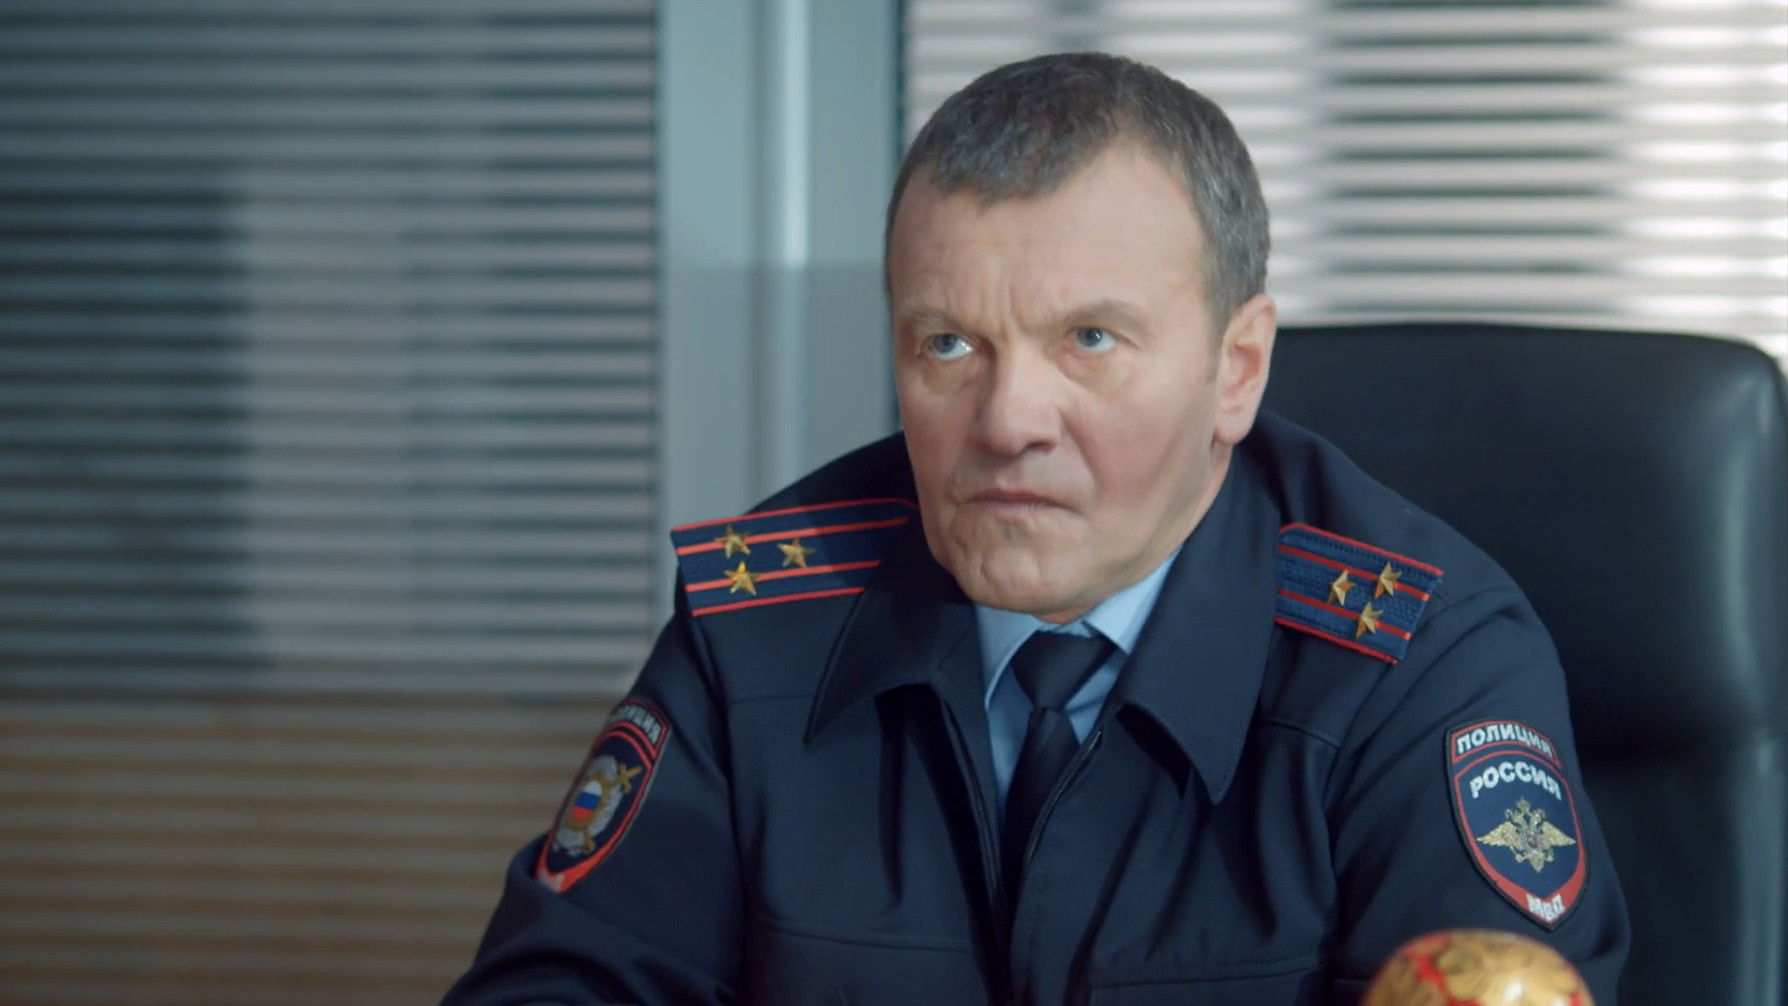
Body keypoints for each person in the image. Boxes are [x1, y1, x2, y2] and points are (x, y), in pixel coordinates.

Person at [444, 52, 1629, 1005]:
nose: (1008, 422)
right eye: (948, 344)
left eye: (1090, 341)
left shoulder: (1417, 665)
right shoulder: (763, 629)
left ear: (1235, 369)